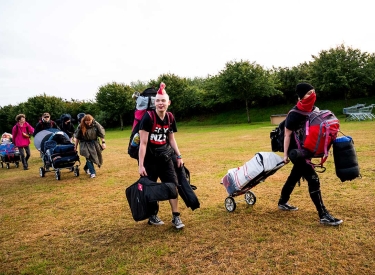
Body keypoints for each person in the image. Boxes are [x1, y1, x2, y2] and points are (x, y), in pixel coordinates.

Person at [278, 82, 343, 226]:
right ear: (301, 96)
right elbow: (287, 135)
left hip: (306, 149)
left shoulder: (314, 110)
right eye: (308, 93)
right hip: (296, 152)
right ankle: (323, 214)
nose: (312, 95)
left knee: (295, 175)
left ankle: (282, 201)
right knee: (313, 179)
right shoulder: (294, 114)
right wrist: (285, 155)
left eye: (313, 91)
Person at [138, 82, 185, 229]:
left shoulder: (170, 118)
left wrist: (179, 156)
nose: (160, 103)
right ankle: (152, 216)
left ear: (168, 102)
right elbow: (143, 143)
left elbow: (171, 139)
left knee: (172, 186)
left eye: (163, 100)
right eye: (157, 100)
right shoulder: (148, 118)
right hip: (150, 161)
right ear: (154, 102)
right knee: (150, 188)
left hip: (165, 158)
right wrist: (141, 165)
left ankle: (176, 217)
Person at [74, 114, 106, 178]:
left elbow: (101, 134)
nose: (88, 124)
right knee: (88, 157)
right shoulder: (80, 126)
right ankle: (92, 173)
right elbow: (77, 138)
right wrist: (75, 146)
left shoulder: (96, 124)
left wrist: (103, 143)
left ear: (92, 120)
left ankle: (86, 168)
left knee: (94, 157)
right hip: (84, 144)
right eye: (87, 122)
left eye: (90, 122)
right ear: (84, 121)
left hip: (94, 143)